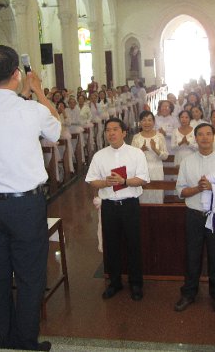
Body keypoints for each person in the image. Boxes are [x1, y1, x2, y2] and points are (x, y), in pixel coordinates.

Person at [0, 45, 60, 351]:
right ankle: (26, 341)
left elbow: (6, 123)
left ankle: (6, 339)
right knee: (30, 275)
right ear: (17, 74)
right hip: (25, 206)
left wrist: (25, 95)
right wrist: (39, 91)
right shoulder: (32, 110)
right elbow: (55, 130)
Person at [174, 123, 215, 313]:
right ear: (195, 138)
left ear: (213, 137)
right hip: (194, 215)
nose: (204, 137)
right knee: (192, 255)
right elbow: (181, 191)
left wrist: (213, 187)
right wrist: (198, 188)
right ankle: (189, 293)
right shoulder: (187, 162)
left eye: (208, 134)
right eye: (200, 134)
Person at [86, 118, 150, 301]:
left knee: (133, 245)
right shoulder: (99, 156)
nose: (111, 133)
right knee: (111, 245)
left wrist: (125, 181)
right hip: (109, 206)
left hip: (130, 205)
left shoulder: (136, 153)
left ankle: (136, 283)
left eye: (115, 129)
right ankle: (114, 283)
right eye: (108, 130)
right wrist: (105, 183)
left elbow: (143, 179)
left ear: (124, 133)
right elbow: (91, 180)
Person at [131, 111, 168, 203]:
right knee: (142, 198)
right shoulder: (136, 137)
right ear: (140, 123)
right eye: (144, 120)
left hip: (157, 169)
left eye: (149, 120)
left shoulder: (160, 136)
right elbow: (131, 158)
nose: (147, 123)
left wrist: (155, 149)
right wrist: (141, 150)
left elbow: (165, 156)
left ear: (154, 122)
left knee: (157, 196)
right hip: (141, 171)